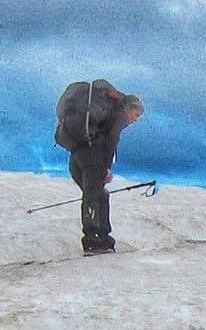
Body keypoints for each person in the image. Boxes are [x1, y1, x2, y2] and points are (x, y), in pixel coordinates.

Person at [54, 81, 144, 254]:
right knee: (94, 195)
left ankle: (101, 238)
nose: (135, 119)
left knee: (98, 194)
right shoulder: (119, 114)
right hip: (92, 155)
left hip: (77, 155)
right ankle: (94, 240)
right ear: (129, 107)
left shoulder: (96, 117)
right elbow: (111, 140)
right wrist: (106, 168)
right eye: (136, 113)